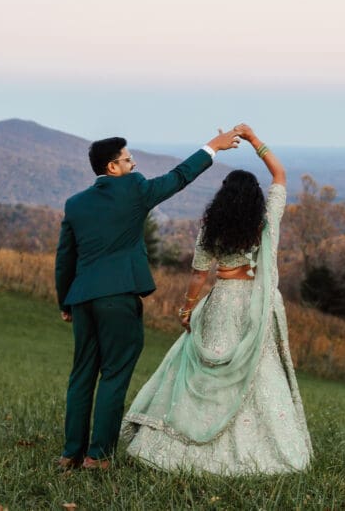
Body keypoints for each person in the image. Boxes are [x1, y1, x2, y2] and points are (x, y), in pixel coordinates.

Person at [121, 124, 313, 475]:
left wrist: (188, 308)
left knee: (210, 370)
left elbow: (199, 274)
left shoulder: (212, 226)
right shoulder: (266, 220)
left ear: (223, 199)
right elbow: (280, 173)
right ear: (256, 198)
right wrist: (254, 140)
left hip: (222, 301)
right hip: (254, 304)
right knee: (256, 369)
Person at [55, 130, 241, 471]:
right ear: (113, 167)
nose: (134, 162)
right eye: (128, 158)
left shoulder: (76, 203)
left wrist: (65, 303)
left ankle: (70, 454)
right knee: (113, 374)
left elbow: (65, 258)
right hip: (118, 298)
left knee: (81, 375)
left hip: (82, 299)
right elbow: (179, 177)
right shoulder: (135, 189)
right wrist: (212, 147)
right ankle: (98, 457)